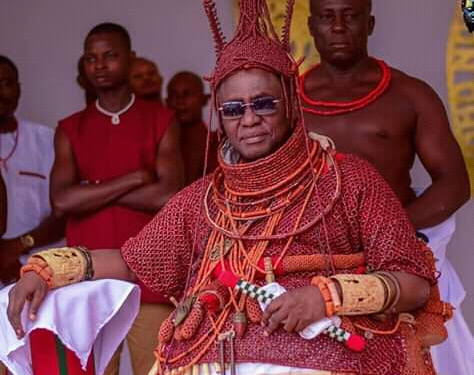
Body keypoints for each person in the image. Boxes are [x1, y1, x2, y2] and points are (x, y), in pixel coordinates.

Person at [7, 1, 443, 374]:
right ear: (220, 114)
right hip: (211, 354)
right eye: (233, 108)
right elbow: (131, 261)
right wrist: (47, 268)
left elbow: (415, 281)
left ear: (291, 103)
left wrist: (325, 297)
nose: (248, 119)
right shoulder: (205, 199)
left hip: (330, 356)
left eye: (264, 104)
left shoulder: (349, 180)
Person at [300, 1, 473, 373]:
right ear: (313, 25)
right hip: (311, 257)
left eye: (351, 16)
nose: (339, 27)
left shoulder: (411, 95)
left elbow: (455, 184)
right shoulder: (286, 102)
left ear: (370, 23)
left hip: (404, 255)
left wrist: (390, 230)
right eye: (328, 17)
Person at [51, 23, 183, 375]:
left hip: (150, 280)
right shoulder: (70, 128)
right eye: (91, 58)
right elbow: (62, 201)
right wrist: (136, 177)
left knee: (159, 370)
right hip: (86, 283)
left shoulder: (161, 118)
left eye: (110, 56)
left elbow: (169, 194)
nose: (100, 65)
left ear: (130, 59)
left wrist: (91, 188)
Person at [0, 55, 65, 375]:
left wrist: (18, 246)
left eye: (6, 83)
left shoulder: (46, 140)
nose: (0, 92)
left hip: (34, 277)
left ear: (19, 89)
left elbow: (63, 210)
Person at [167, 71, 218, 185]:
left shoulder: (217, 142)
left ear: (205, 99)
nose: (181, 101)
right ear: (167, 102)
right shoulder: (162, 145)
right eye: (175, 95)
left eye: (187, 94)